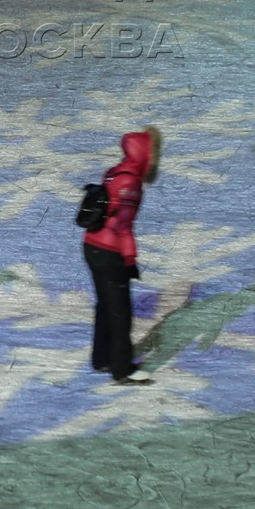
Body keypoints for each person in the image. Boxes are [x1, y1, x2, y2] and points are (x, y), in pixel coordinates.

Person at [84, 127, 161, 385]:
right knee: (120, 312)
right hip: (109, 252)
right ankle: (122, 369)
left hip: (92, 246)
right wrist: (130, 261)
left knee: (105, 306)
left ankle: (102, 357)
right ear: (145, 155)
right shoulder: (131, 183)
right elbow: (122, 227)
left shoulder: (114, 172)